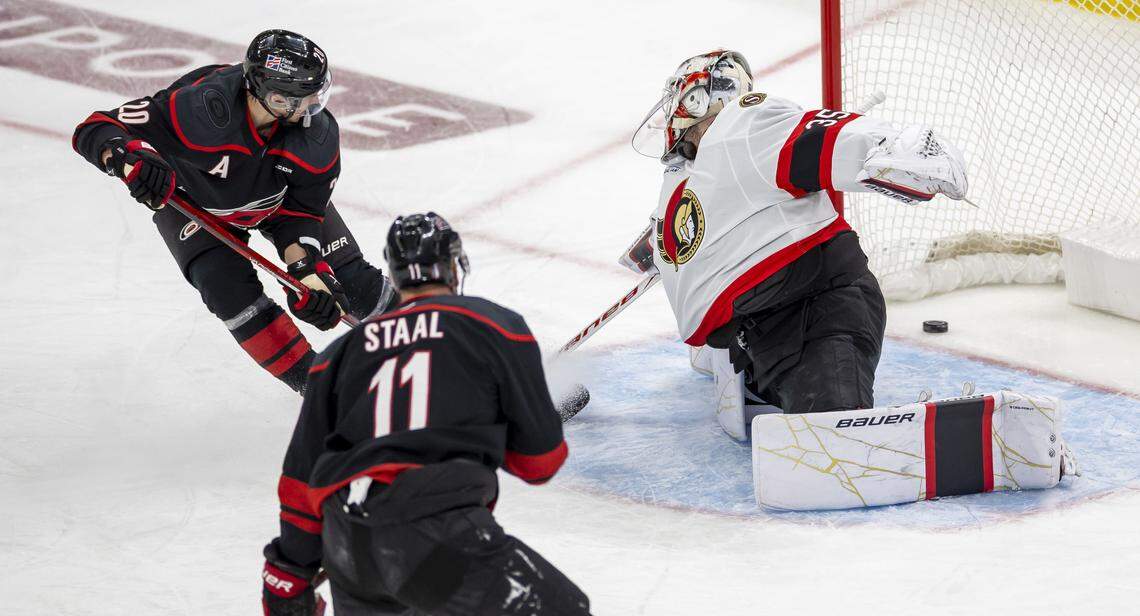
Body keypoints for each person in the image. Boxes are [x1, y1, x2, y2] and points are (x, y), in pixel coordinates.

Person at [625, 49, 969, 439]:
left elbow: (819, 136)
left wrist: (891, 147)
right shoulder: (686, 172)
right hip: (756, 331)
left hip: (817, 311)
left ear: (698, 98)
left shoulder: (741, 127)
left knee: (835, 438)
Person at [260, 212, 591, 615]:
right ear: (454, 268)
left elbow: (299, 480)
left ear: (395, 278)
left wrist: (287, 578)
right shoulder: (494, 326)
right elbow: (540, 463)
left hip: (347, 551)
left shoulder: (338, 356)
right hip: (432, 536)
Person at [71, 29, 395, 393]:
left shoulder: (317, 138)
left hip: (276, 202)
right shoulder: (199, 107)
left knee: (349, 280)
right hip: (197, 209)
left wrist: (306, 270)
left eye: (316, 94)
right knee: (227, 291)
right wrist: (127, 155)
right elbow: (96, 127)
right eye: (300, 99)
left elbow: (302, 215)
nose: (312, 108)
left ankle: (439, 334)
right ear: (268, 94)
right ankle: (319, 391)